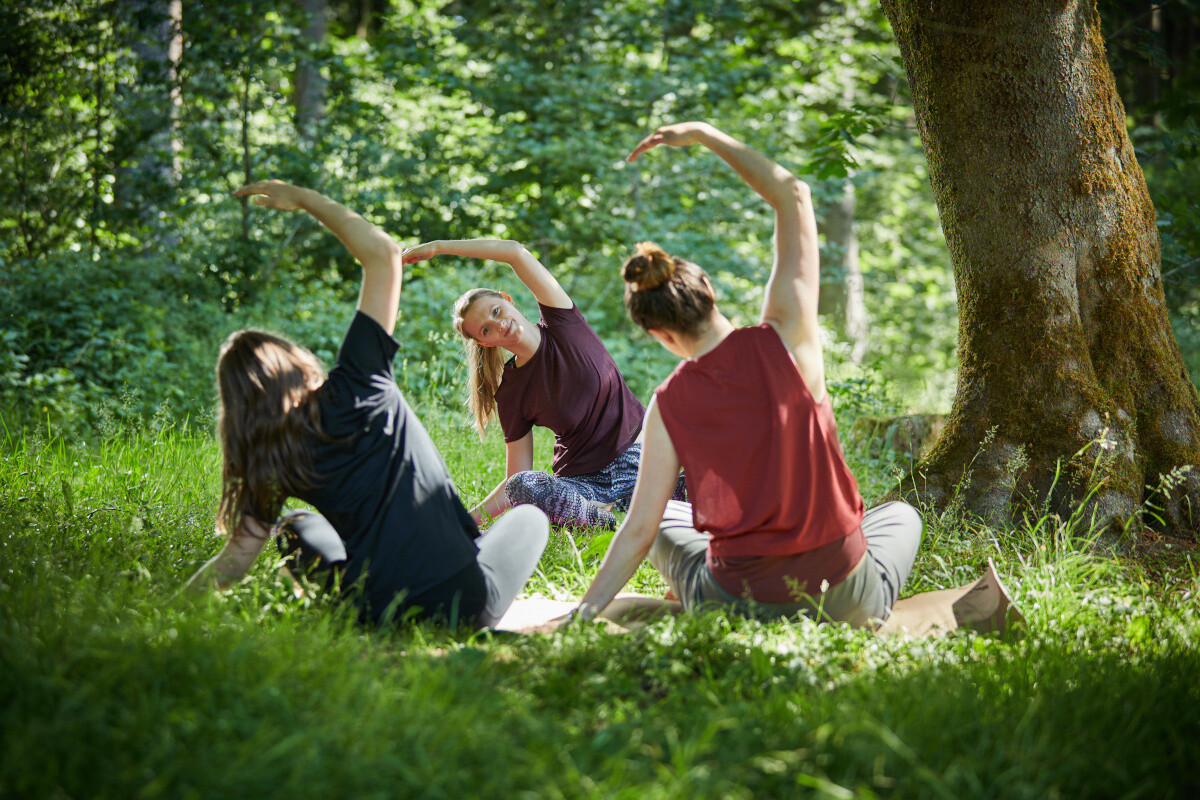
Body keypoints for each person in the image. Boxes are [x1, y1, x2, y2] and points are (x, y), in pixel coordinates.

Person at [573, 122, 923, 628]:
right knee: (901, 516)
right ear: (709, 289)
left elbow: (638, 531)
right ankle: (861, 612)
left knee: (664, 518)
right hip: (842, 591)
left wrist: (580, 615)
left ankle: (686, 606)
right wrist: (703, 134)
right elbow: (793, 195)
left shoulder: (667, 404)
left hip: (737, 602)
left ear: (657, 334)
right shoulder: (788, 339)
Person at [184, 180, 549, 629]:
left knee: (295, 526)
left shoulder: (268, 455)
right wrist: (302, 198)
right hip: (465, 600)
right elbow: (382, 253)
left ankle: (350, 604)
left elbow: (237, 557)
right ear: (296, 365)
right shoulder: (359, 382)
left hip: (377, 613)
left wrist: (165, 610)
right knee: (530, 516)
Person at [401, 238, 682, 530]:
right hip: (583, 484)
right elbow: (516, 481)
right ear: (486, 341)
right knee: (523, 485)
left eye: (496, 311)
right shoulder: (510, 392)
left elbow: (514, 252)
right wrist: (461, 523)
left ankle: (626, 507)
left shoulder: (562, 320)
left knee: (709, 473)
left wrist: (437, 247)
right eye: (487, 329)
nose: (499, 324)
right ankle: (606, 517)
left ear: (506, 300)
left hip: (638, 458)